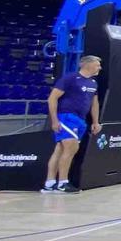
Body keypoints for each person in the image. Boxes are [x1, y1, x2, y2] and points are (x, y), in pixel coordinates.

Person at [42, 55, 102, 193]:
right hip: (67, 117)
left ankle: (50, 183)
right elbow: (52, 98)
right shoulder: (70, 79)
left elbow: (94, 103)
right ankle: (63, 183)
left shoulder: (93, 83)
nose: (99, 67)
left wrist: (95, 121)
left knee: (60, 150)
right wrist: (55, 120)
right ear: (88, 64)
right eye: (97, 64)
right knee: (70, 149)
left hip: (80, 120)